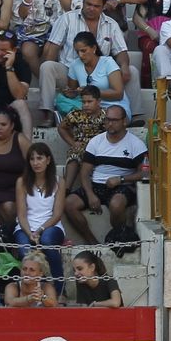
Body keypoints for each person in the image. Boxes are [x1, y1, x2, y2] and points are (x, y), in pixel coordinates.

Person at [64, 105, 146, 245]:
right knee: (69, 203)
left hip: (123, 185)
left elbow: (144, 173)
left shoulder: (136, 144)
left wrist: (121, 179)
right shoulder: (96, 141)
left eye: (114, 120)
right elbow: (84, 172)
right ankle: (92, 242)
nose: (110, 123)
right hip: (96, 184)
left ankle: (118, 237)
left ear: (124, 121)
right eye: (107, 120)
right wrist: (90, 195)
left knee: (116, 204)